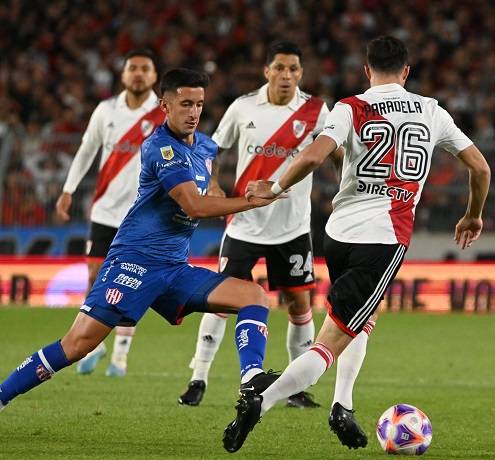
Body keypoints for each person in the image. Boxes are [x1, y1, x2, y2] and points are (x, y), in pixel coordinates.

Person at [222, 35, 491, 453]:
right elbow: (479, 166)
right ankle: (263, 399)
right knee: (331, 339)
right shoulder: (431, 110)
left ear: (367, 70)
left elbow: (313, 157)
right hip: (383, 238)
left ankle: (342, 404)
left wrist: (274, 187)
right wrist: (473, 214)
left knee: (362, 317)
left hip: (338, 233)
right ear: (406, 71)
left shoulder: (350, 107)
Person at [0, 68, 284, 414]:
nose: (193, 112)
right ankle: (2, 395)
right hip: (133, 261)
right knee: (77, 345)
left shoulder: (206, 146)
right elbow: (192, 204)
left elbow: (207, 188)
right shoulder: (160, 148)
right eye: (184, 104)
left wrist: (225, 192)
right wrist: (248, 201)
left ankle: (252, 379)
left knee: (253, 295)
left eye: (199, 104)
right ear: (164, 105)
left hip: (173, 269)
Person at [178, 41, 331, 409]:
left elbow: (335, 149)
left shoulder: (315, 111)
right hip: (243, 225)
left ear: (300, 74)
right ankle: (198, 377)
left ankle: (293, 386)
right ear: (267, 71)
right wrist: (211, 183)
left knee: (298, 304)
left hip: (292, 227)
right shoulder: (243, 106)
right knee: (220, 302)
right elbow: (209, 150)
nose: (286, 75)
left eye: (293, 69)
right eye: (279, 68)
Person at [55, 49, 164, 377]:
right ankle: (97, 345)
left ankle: (120, 357)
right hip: (104, 210)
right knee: (94, 278)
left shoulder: (162, 114)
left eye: (145, 68)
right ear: (123, 74)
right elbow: (87, 149)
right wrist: (68, 190)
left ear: (155, 76)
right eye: (133, 68)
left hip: (142, 214)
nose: (138, 74)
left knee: (132, 282)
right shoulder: (106, 111)